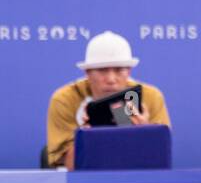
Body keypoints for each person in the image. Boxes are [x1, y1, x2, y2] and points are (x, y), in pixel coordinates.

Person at [45, 31, 171, 169]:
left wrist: (146, 134)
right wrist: (87, 138)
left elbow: (160, 164)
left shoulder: (151, 97)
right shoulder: (65, 100)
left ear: (129, 71)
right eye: (102, 70)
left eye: (119, 70)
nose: (111, 79)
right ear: (87, 73)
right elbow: (70, 167)